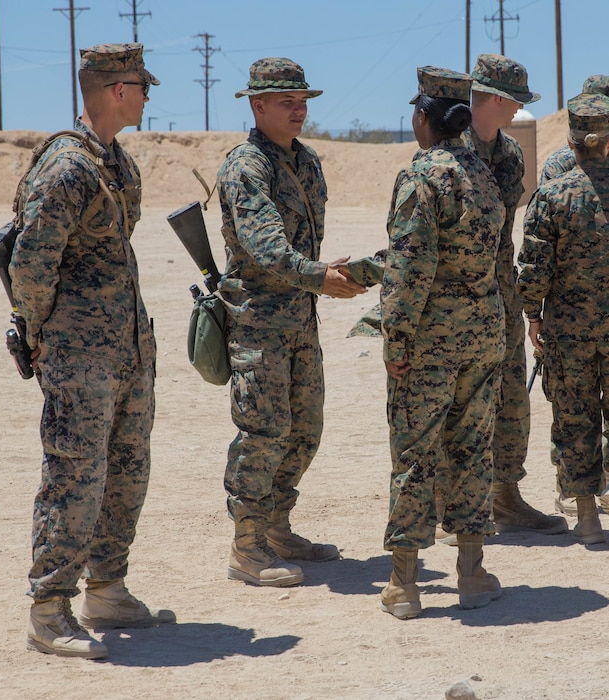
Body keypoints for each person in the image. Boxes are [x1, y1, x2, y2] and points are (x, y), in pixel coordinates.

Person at [10, 43, 174, 660]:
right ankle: (50, 609)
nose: (147, 96)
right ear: (114, 91)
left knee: (126, 471)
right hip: (80, 355)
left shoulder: (115, 164)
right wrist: (41, 333)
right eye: (141, 85)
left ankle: (106, 589)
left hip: (126, 348)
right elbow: (30, 264)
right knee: (74, 476)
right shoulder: (68, 167)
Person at [216, 58, 367, 588]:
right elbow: (264, 251)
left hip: (300, 320)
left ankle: (278, 527)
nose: (299, 109)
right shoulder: (246, 166)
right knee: (262, 433)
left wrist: (327, 275)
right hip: (259, 323)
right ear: (257, 106)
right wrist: (318, 275)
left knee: (304, 430)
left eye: (302, 100)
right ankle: (247, 546)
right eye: (287, 101)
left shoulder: (306, 162)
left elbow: (304, 248)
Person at [379, 66, 506, 619]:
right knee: (472, 448)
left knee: (414, 454)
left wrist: (395, 339)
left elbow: (409, 271)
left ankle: (404, 584)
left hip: (431, 343)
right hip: (483, 337)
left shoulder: (421, 179)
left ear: (426, 118)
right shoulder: (485, 177)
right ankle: (472, 572)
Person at [518, 93, 609, 544]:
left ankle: (585, 519)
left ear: (571, 139)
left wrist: (533, 317)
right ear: (608, 139)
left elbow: (534, 267)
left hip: (568, 326)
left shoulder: (551, 194)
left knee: (573, 414)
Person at [458, 53, 567, 538]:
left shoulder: (509, 153)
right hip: (456, 304)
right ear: (498, 99)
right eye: (516, 101)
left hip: (502, 297)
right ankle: (451, 504)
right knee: (457, 404)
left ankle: (504, 496)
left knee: (511, 401)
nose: (519, 109)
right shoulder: (448, 150)